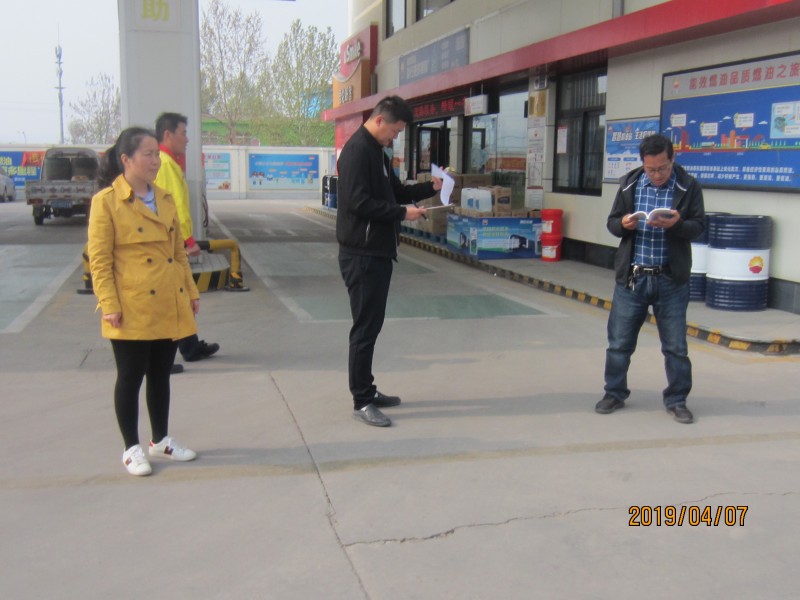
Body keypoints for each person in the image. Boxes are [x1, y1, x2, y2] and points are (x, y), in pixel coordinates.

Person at [88, 127, 200, 476]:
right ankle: (131, 448)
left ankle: (161, 440)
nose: (156, 161)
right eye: (149, 154)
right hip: (131, 305)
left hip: (168, 299)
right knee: (130, 376)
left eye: (157, 154)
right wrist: (109, 304)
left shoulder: (164, 198)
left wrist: (191, 291)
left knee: (161, 374)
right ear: (126, 159)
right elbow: (99, 261)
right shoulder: (107, 201)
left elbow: (177, 253)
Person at [336, 95, 442, 427]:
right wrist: (400, 214)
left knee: (372, 325)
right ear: (380, 120)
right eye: (394, 131)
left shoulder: (377, 152)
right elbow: (357, 203)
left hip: (378, 252)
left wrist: (429, 188)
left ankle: (368, 389)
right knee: (364, 328)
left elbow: (395, 192)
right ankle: (362, 400)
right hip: (362, 254)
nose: (394, 138)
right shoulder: (357, 152)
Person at [596, 134, 705, 424]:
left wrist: (677, 224)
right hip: (633, 278)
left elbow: (698, 227)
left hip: (670, 278)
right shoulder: (629, 184)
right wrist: (623, 224)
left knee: (675, 347)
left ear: (672, 159)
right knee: (619, 343)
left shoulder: (688, 186)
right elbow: (612, 223)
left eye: (663, 168)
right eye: (651, 169)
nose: (657, 175)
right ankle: (614, 392)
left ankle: (677, 400)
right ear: (643, 164)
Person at [154, 112, 220, 363]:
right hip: (170, 244)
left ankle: (190, 347)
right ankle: (163, 358)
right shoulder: (165, 165)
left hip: (170, 242)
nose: (187, 139)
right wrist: (187, 241)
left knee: (179, 296)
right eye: (183, 133)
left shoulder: (168, 163)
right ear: (168, 134)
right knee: (170, 298)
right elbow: (176, 208)